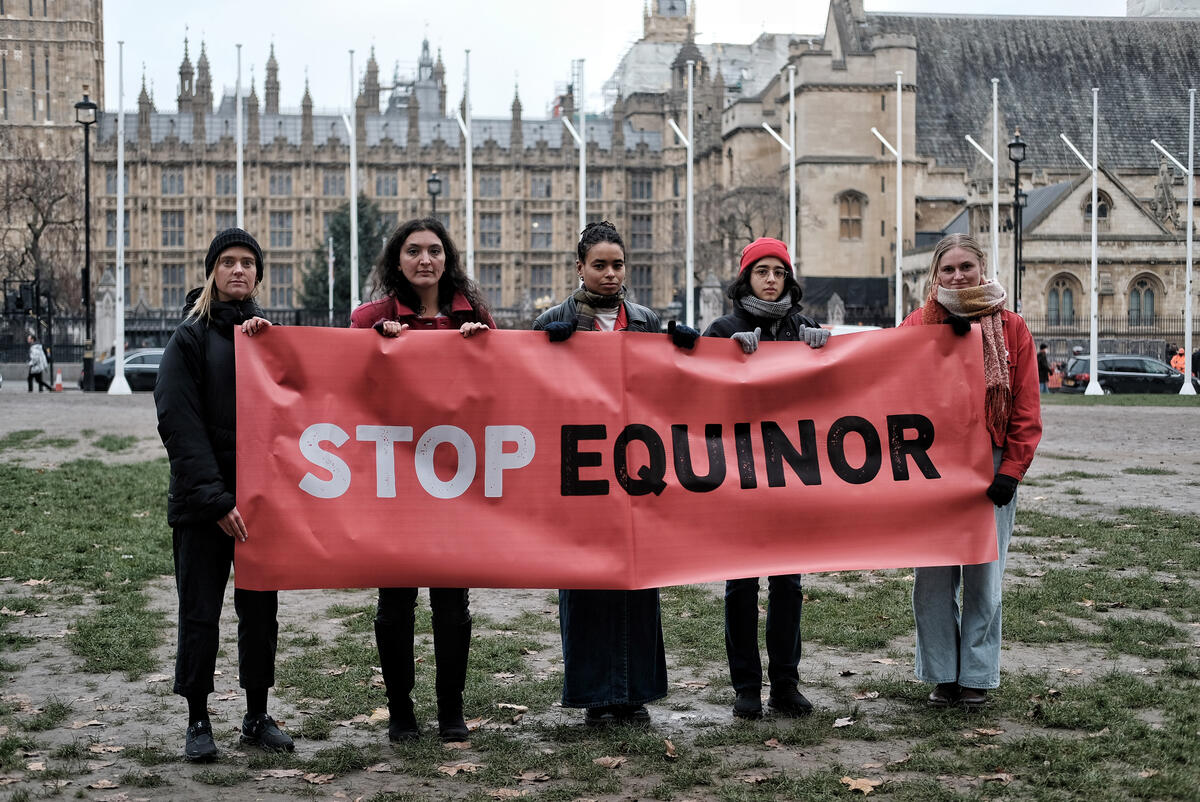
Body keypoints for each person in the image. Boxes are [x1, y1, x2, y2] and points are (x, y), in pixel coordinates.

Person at [533, 220, 686, 726]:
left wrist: (684, 347)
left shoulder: (645, 320)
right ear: (579, 268)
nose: (609, 274)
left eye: (617, 264)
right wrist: (541, 348)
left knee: (637, 586)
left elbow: (669, 391)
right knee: (584, 588)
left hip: (635, 470)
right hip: (579, 472)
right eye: (599, 265)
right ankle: (596, 697)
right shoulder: (554, 320)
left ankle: (633, 693)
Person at [349, 217, 492, 742]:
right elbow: (344, 386)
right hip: (397, 481)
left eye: (434, 251)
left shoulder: (471, 315)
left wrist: (481, 345)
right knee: (396, 603)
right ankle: (401, 709)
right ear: (397, 260)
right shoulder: (371, 317)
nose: (425, 260)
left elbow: (501, 389)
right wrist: (377, 346)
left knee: (452, 604)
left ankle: (451, 709)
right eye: (414, 251)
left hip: (456, 481)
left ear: (447, 258)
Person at [154, 228, 291, 761]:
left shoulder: (264, 337)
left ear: (258, 274)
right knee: (200, 613)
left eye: (248, 263)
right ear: (212, 270)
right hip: (203, 506)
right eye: (228, 262)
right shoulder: (189, 337)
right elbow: (178, 423)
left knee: (260, 614)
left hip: (257, 505)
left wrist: (273, 347)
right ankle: (198, 718)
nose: (239, 270)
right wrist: (215, 500)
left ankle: (256, 715)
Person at [902, 233, 1042, 710]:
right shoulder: (917, 325)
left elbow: (1025, 406)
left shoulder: (1012, 327)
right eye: (948, 269)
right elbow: (887, 385)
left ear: (982, 268)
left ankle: (977, 676)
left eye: (966, 266)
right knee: (934, 579)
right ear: (935, 275)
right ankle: (943, 674)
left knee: (985, 576)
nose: (958, 276)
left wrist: (1013, 470)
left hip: (992, 463)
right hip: (935, 466)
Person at [702, 237, 829, 719]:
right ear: (746, 278)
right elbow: (700, 394)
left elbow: (828, 393)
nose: (771, 279)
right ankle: (746, 687)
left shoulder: (804, 327)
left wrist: (822, 350)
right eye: (762, 271)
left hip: (791, 473)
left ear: (788, 279)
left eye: (779, 271)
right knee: (741, 584)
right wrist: (726, 357)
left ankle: (786, 684)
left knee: (788, 584)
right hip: (740, 473)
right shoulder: (723, 328)